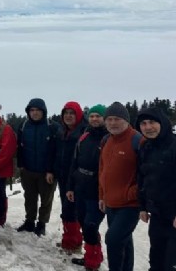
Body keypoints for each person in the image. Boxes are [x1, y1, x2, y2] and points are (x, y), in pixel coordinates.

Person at [136, 107, 176, 271]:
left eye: (152, 122)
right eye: (143, 123)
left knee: (174, 265)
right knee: (156, 262)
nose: (148, 127)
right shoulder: (146, 148)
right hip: (158, 216)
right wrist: (142, 205)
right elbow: (142, 178)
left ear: (163, 122)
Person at [99, 102, 142, 271]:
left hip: (130, 204)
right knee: (124, 240)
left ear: (126, 120)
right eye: (109, 119)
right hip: (110, 203)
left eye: (117, 119)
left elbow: (146, 173)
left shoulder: (137, 140)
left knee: (113, 239)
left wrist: (132, 193)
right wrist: (102, 195)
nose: (112, 123)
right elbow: (102, 169)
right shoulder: (106, 140)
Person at [67, 104, 108, 270]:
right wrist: (70, 187)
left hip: (97, 188)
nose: (95, 119)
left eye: (98, 116)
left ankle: (93, 260)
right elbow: (74, 163)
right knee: (84, 222)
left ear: (104, 118)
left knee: (91, 224)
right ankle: (91, 255)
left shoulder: (108, 138)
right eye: (92, 116)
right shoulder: (84, 136)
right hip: (80, 186)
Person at [16, 98, 59, 236]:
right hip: (28, 170)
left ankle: (41, 224)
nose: (34, 113)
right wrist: (21, 166)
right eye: (32, 110)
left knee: (46, 199)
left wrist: (51, 170)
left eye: (37, 110)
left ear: (43, 111)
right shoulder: (23, 126)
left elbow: (56, 151)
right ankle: (29, 221)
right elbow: (19, 147)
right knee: (29, 198)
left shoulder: (52, 126)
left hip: (46, 172)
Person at [55, 101, 88, 253]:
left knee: (74, 209)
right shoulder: (62, 131)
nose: (68, 116)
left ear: (78, 114)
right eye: (66, 113)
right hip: (63, 176)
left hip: (77, 177)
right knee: (66, 208)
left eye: (72, 113)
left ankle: (75, 242)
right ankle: (68, 239)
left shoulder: (84, 131)